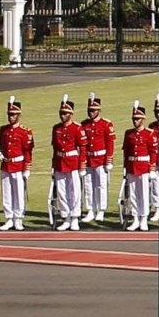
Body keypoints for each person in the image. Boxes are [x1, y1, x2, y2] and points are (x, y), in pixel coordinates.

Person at [121, 102, 159, 231]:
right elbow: (126, 152)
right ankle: (136, 218)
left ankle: (143, 218)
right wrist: (126, 168)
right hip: (132, 167)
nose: (135, 121)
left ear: (143, 119)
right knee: (133, 195)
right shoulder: (129, 134)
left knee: (143, 194)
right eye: (134, 119)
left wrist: (152, 169)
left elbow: (153, 152)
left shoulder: (149, 133)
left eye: (137, 119)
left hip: (144, 167)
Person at [0, 97, 34, 231]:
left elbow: (28, 151)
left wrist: (26, 168)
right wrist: (0, 153)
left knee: (18, 193)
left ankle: (18, 218)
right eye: (9, 114)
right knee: (6, 193)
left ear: (19, 115)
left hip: (18, 166)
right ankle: (9, 218)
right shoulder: (3, 130)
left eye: (13, 115)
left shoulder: (25, 131)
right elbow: (0, 145)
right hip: (6, 165)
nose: (11, 117)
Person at [50, 96, 86, 231]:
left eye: (65, 113)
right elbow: (55, 148)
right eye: (61, 113)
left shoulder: (77, 128)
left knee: (74, 191)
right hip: (60, 161)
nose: (62, 115)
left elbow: (82, 147)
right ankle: (66, 217)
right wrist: (53, 166)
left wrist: (82, 165)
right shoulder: (56, 128)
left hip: (73, 162)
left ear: (71, 114)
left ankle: (75, 217)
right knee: (62, 191)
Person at [81, 95, 117, 226]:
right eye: (89, 110)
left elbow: (110, 143)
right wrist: (83, 162)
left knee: (101, 185)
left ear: (99, 111)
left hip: (101, 159)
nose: (91, 112)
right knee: (88, 185)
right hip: (89, 159)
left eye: (93, 110)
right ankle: (90, 209)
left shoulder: (106, 124)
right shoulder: (84, 124)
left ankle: (101, 209)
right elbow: (83, 145)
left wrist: (109, 160)